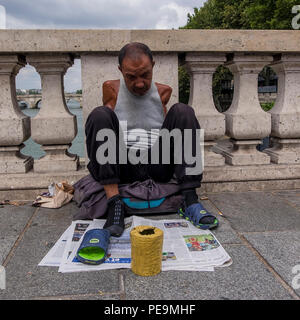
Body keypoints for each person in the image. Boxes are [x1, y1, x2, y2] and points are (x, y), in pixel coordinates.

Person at [85, 42, 218, 237]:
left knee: (183, 111)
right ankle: (115, 204)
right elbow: (106, 131)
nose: (139, 83)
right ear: (120, 70)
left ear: (153, 66)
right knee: (100, 115)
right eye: (131, 77)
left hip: (158, 163)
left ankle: (190, 199)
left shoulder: (163, 91)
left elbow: (166, 128)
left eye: (145, 75)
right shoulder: (111, 88)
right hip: (124, 163)